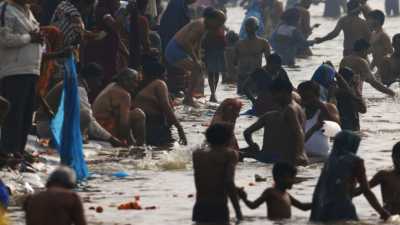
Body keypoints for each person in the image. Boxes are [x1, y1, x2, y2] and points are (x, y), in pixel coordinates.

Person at [310, 131, 391, 222]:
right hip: (342, 211)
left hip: (320, 211)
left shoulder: (329, 161)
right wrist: (383, 213)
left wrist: (308, 206)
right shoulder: (356, 161)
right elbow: (366, 191)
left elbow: (320, 189)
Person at [36, 63, 124, 146]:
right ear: (91, 77)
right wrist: (110, 138)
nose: (99, 84)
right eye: (98, 80)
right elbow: (89, 120)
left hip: (46, 125)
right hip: (47, 126)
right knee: (85, 115)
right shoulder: (78, 87)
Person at [0, 0, 43, 164]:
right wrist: (29, 38)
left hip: (31, 69)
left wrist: (38, 38)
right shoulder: (6, 9)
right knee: (14, 114)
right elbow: (5, 39)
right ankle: (8, 151)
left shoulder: (28, 11)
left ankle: (18, 150)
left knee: (26, 114)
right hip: (14, 70)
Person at [165, 7, 226, 107]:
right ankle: (188, 98)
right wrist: (195, 60)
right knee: (196, 68)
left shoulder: (204, 26)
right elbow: (186, 42)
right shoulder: (200, 25)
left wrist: (199, 59)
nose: (220, 26)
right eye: (219, 22)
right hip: (174, 51)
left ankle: (189, 96)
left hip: (179, 51)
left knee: (198, 68)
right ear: (211, 19)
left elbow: (198, 45)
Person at [242, 78, 308, 166]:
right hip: (281, 158)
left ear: (284, 92)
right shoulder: (299, 109)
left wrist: (300, 154)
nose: (273, 97)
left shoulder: (290, 109)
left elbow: (298, 132)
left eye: (274, 94)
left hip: (281, 159)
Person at [192, 123, 243, 223]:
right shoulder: (230, 155)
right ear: (228, 138)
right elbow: (228, 182)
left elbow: (209, 177)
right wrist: (238, 212)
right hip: (218, 206)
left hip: (200, 206)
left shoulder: (197, 154)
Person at [135, 60, 187, 146]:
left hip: (144, 128)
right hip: (154, 128)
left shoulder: (144, 87)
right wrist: (179, 128)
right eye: (165, 75)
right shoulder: (159, 83)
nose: (166, 78)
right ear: (157, 75)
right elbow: (166, 107)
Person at [238, 163, 311, 220]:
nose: (293, 181)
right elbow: (253, 205)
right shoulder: (270, 192)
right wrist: (244, 198)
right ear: (279, 178)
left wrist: (318, 202)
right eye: (291, 178)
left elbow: (303, 207)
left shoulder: (286, 195)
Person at [93, 69, 146, 146]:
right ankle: (141, 146)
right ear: (125, 80)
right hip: (104, 127)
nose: (136, 85)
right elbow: (124, 124)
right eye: (134, 81)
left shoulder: (112, 85)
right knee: (139, 114)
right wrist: (130, 143)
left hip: (97, 125)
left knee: (128, 113)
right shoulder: (124, 94)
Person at [158, 0, 196, 96]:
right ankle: (173, 91)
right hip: (171, 40)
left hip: (173, 40)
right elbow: (174, 27)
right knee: (173, 67)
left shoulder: (181, 4)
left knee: (175, 67)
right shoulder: (177, 4)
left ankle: (175, 90)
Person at [354, 142, 400, 214]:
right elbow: (362, 189)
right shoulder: (384, 175)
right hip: (390, 218)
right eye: (398, 157)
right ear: (393, 157)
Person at [297, 81, 340, 159]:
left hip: (321, 159)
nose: (306, 100)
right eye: (302, 97)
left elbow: (337, 129)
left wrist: (323, 108)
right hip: (304, 159)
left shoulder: (328, 107)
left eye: (308, 97)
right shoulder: (298, 110)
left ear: (317, 95)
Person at [234, 17, 270, 95]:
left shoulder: (263, 43)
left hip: (255, 77)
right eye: (247, 25)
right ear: (245, 27)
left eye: (251, 25)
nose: (249, 28)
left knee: (256, 97)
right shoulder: (239, 44)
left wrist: (260, 72)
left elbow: (269, 62)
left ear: (256, 27)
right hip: (242, 77)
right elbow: (234, 63)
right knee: (241, 98)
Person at [335, 67, 367, 131]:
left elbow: (363, 109)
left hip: (348, 127)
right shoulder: (340, 92)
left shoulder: (335, 91)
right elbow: (363, 109)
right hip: (348, 127)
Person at [203, 25, 226, 102]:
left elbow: (224, 43)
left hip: (214, 53)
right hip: (212, 53)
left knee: (213, 73)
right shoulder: (210, 29)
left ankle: (213, 93)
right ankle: (213, 93)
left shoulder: (218, 28)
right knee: (213, 73)